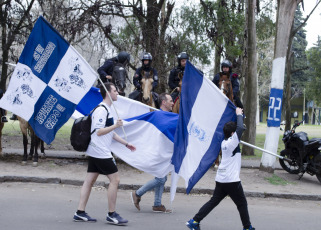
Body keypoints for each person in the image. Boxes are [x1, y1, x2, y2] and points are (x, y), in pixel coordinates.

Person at [73, 82, 136, 225]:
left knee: (89, 181)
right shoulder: (101, 110)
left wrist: (126, 143)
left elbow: (110, 133)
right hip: (100, 151)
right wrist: (116, 125)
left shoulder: (107, 109)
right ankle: (112, 214)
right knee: (115, 180)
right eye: (115, 91)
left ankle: (80, 212)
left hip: (96, 150)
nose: (117, 93)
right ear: (108, 93)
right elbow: (99, 131)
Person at [186, 108, 255, 230]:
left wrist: (240, 115)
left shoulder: (225, 141)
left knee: (213, 202)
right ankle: (247, 227)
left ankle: (194, 221)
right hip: (231, 180)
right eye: (237, 132)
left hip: (221, 178)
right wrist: (238, 114)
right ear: (233, 134)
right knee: (242, 204)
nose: (240, 133)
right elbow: (239, 129)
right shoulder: (232, 142)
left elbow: (239, 128)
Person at [130, 92, 174, 213]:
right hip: (157, 152)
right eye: (170, 100)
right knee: (160, 178)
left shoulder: (167, 115)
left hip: (164, 153)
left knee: (162, 177)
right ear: (164, 102)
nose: (172, 103)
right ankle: (138, 193)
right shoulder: (158, 115)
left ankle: (157, 204)